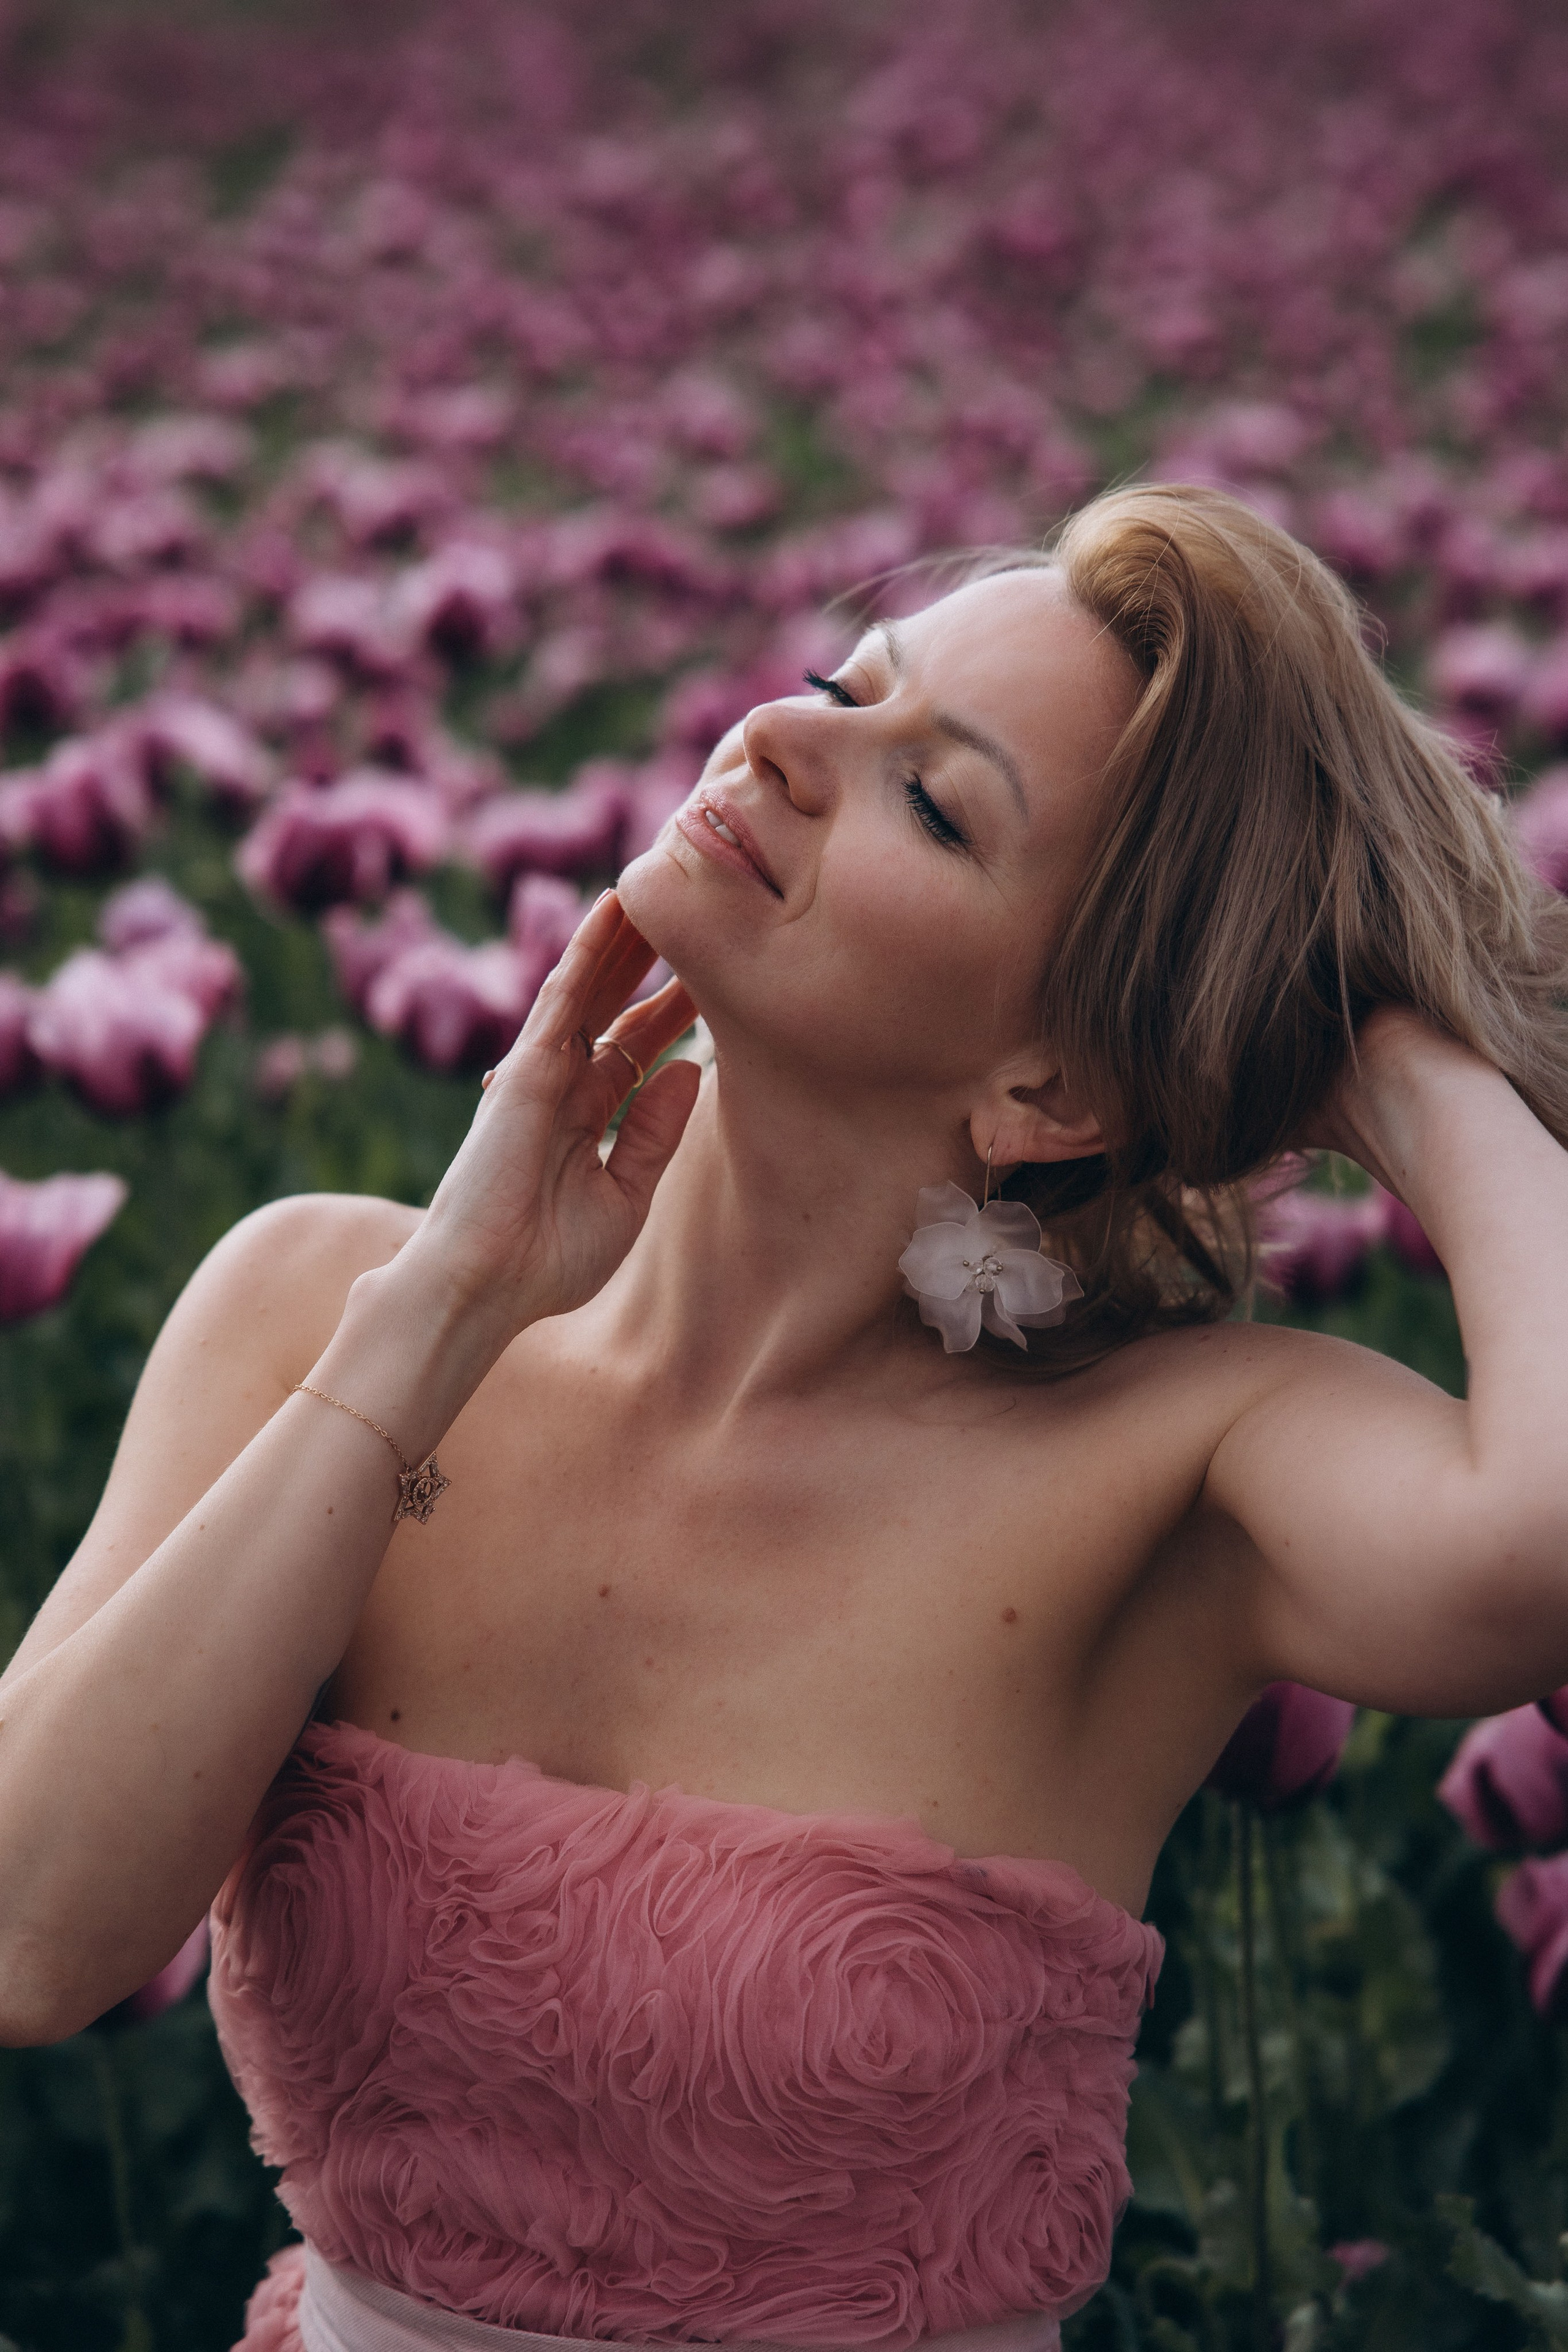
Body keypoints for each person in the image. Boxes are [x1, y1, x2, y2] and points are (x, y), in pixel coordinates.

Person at [2, 480, 1567, 2352]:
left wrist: (1402, 1052)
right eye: (845, 682)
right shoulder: (309, 1302)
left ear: (1051, 1088)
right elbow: (33, 1936)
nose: (786, 736)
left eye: (934, 799)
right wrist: (439, 1315)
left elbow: (1540, 1544)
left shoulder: (1170, 1476)